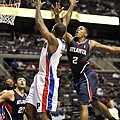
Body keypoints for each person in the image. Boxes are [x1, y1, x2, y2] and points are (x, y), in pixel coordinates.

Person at [52, 1, 120, 120]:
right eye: (77, 28)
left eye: (81, 28)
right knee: (94, 102)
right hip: (76, 77)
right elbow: (61, 28)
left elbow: (111, 48)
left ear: (86, 34)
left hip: (86, 75)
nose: (78, 30)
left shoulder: (90, 43)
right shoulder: (70, 39)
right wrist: (58, 15)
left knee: (83, 104)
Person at [25, 0, 75, 120]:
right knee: (28, 110)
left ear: (53, 31)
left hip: (47, 79)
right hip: (40, 77)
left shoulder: (53, 41)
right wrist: (65, 10)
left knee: (43, 114)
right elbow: (65, 23)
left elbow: (39, 24)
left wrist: (37, 7)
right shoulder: (61, 40)